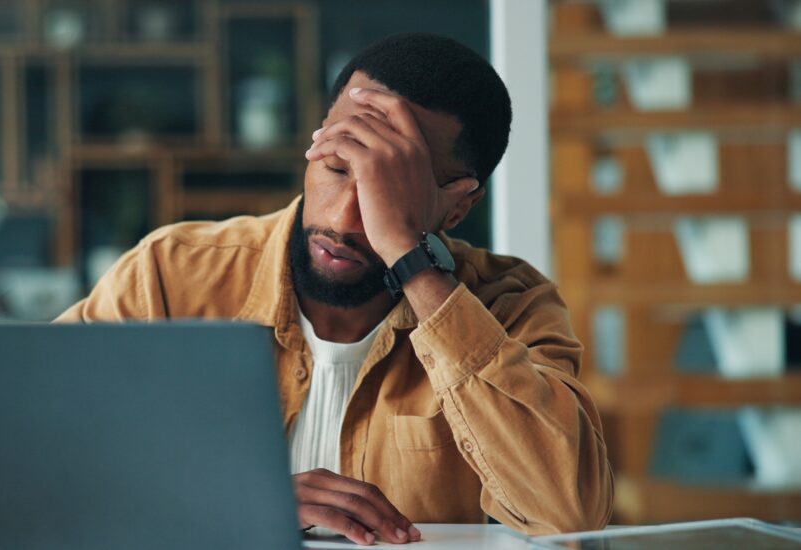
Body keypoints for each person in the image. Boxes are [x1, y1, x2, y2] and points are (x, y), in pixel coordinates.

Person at [57, 33, 612, 545]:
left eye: (394, 186)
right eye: (340, 166)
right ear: (316, 141)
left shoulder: (510, 306)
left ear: (459, 205)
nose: (346, 221)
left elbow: (567, 512)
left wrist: (408, 256)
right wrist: (240, 501)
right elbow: (29, 457)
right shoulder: (172, 276)